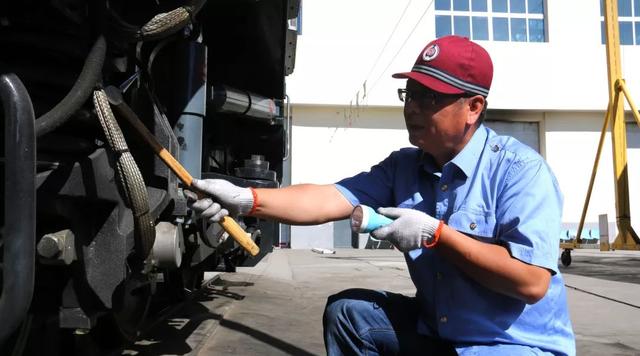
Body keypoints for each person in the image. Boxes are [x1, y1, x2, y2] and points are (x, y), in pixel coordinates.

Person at [188, 35, 576, 355]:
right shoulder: (404, 166)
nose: (413, 108)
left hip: (513, 346)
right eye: (411, 94)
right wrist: (246, 198)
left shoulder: (520, 171)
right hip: (441, 335)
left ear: (473, 107)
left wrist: (438, 236)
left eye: (430, 98)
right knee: (350, 314)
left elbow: (531, 282)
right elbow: (328, 198)